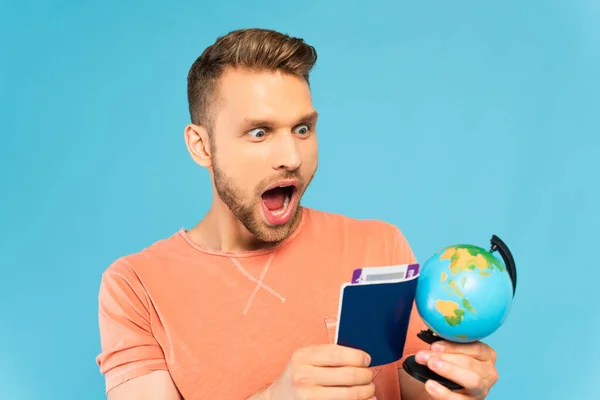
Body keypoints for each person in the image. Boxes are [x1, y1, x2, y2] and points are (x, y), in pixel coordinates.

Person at [95, 28, 500, 400]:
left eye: (302, 129)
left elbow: (418, 389)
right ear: (201, 146)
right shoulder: (135, 287)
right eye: (259, 132)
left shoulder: (379, 245)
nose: (291, 158)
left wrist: (457, 380)